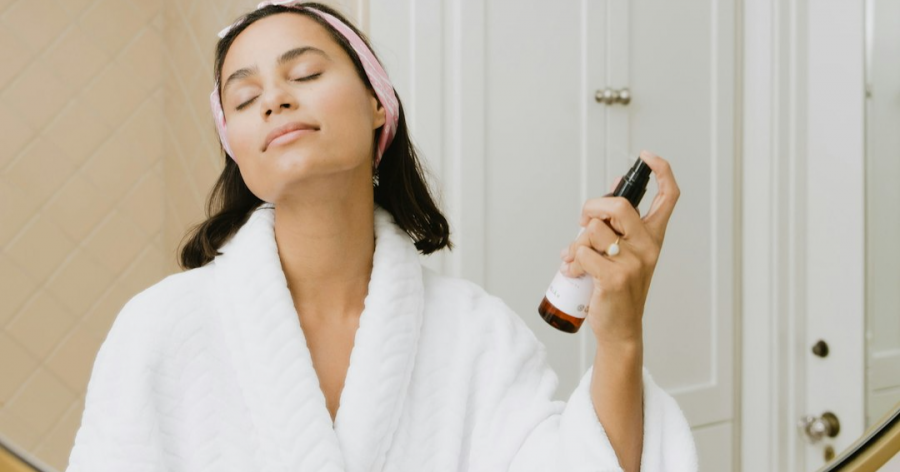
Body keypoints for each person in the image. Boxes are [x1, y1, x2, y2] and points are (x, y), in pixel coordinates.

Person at [66, 2, 696, 471]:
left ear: (378, 103)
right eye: (246, 97)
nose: (275, 100)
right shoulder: (158, 331)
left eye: (304, 73)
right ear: (237, 150)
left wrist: (620, 339)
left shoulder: (478, 335)